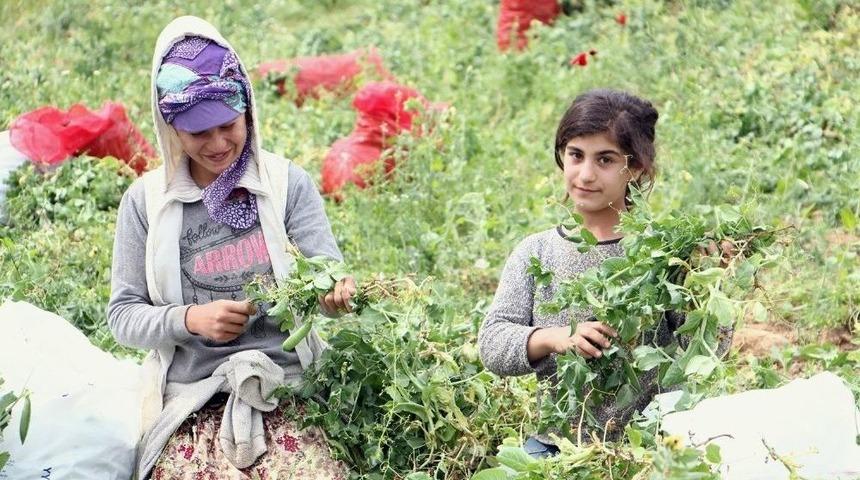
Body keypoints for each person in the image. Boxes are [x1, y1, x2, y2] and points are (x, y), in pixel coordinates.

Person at [107, 16, 354, 479]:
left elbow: (326, 273)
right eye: (199, 133)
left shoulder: (284, 186)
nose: (219, 144)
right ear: (171, 129)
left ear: (248, 112)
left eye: (228, 125)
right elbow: (123, 317)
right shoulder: (146, 203)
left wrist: (334, 293)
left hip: (286, 386)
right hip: (193, 395)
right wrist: (190, 320)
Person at [477, 89, 732, 457]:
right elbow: (493, 343)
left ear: (637, 167)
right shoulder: (537, 252)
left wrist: (711, 291)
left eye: (606, 160)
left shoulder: (663, 255)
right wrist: (555, 338)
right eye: (575, 155)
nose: (585, 174)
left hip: (649, 444)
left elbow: (709, 351)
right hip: (557, 444)